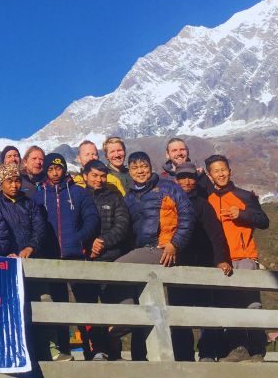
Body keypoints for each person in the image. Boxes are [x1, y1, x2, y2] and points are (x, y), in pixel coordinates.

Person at [115, 151, 194, 360]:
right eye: (135, 168)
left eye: (144, 166)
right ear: (129, 171)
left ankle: (126, 318)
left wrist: (175, 244)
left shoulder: (168, 187)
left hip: (161, 249)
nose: (140, 171)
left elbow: (187, 215)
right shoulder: (130, 197)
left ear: (150, 167)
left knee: (116, 268)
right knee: (146, 302)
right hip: (143, 250)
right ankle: (141, 353)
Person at [32, 154, 99, 361]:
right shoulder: (37, 195)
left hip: (76, 256)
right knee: (58, 308)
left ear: (64, 169)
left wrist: (79, 239)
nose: (55, 173)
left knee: (85, 304)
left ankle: (95, 349)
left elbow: (91, 219)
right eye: (51, 169)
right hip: (50, 258)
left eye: (58, 169)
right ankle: (63, 351)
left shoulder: (79, 193)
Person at [206, 154, 270, 362]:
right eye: (216, 171)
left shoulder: (244, 196)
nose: (221, 173)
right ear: (210, 175)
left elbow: (263, 221)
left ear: (230, 171)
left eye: (223, 169)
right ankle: (238, 349)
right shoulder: (210, 200)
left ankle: (258, 350)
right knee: (229, 306)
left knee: (251, 304)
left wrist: (241, 214)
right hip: (222, 259)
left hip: (244, 256)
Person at [171, 161, 233, 362]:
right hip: (176, 266)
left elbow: (216, 235)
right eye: (183, 178)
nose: (187, 181)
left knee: (207, 311)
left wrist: (221, 259)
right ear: (176, 180)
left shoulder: (203, 204)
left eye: (190, 177)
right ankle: (183, 356)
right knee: (179, 313)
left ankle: (208, 352)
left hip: (203, 264)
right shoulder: (169, 202)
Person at [79, 159, 131, 360]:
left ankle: (114, 350)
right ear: (85, 176)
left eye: (102, 176)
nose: (99, 180)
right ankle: (96, 350)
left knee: (118, 308)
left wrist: (103, 242)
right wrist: (87, 245)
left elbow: (122, 225)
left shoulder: (115, 197)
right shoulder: (78, 197)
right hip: (86, 261)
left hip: (112, 260)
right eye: (94, 175)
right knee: (89, 309)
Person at [0, 164, 46, 259]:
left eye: (17, 181)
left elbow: (39, 228)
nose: (14, 185)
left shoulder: (29, 203)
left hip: (29, 256)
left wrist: (31, 247)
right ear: (1, 183)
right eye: (9, 181)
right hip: (3, 258)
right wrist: (5, 252)